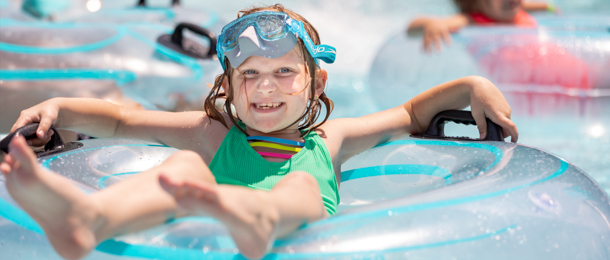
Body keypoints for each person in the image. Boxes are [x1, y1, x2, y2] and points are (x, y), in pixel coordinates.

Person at [0, 4, 518, 260]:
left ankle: (256, 216)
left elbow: (409, 112)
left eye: (284, 73)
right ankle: (89, 217)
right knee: (178, 166)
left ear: (317, 83)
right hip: (222, 221)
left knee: (299, 187)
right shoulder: (212, 133)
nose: (264, 88)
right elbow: (119, 120)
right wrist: (58, 106)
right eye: (248, 74)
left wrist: (474, 84)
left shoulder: (329, 141)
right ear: (228, 84)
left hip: (277, 218)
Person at [408, 0, 555, 52]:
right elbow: (412, 28)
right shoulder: (476, 20)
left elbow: (527, 5)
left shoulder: (515, 9)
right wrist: (432, 24)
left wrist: (547, 7)